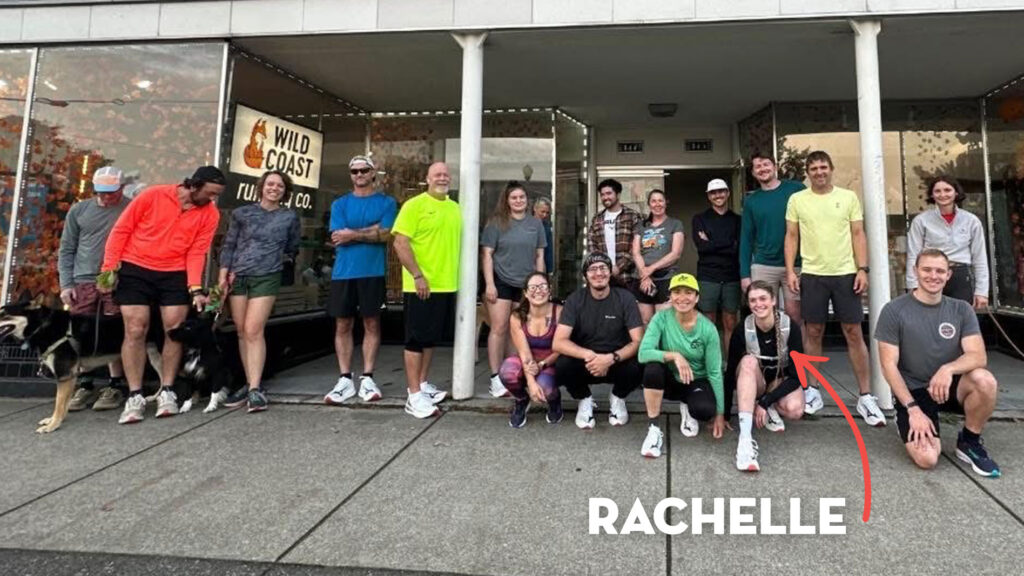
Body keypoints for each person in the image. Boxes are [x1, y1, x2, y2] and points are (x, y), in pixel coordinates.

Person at [100, 166, 224, 424]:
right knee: (135, 328)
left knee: (174, 330)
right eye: (210, 193)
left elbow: (197, 251)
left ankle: (167, 390)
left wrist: (195, 288)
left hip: (175, 272)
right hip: (136, 267)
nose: (212, 199)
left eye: (216, 195)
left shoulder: (210, 213)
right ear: (194, 185)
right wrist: (108, 269)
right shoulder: (153, 195)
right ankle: (134, 395)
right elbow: (121, 231)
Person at [875, 249, 1001, 477]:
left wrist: (948, 369)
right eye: (927, 269)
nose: (933, 276)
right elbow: (888, 366)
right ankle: (905, 417)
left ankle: (969, 442)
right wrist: (912, 409)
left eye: (940, 271)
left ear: (948, 275)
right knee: (928, 458)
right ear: (915, 271)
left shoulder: (961, 309)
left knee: (985, 380)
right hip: (915, 391)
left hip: (949, 386)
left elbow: (978, 356)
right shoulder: (894, 310)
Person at [784, 150, 886, 427]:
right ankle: (812, 390)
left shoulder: (848, 197)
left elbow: (858, 233)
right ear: (808, 172)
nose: (819, 172)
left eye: (823, 167)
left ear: (831, 168)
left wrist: (862, 269)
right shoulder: (797, 200)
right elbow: (791, 236)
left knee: (853, 331)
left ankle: (865, 396)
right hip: (813, 274)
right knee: (813, 331)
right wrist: (792, 271)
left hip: (845, 274)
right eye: (814, 168)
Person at [217, 170, 300, 413]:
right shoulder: (242, 213)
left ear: (285, 191)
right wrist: (223, 274)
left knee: (254, 329)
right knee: (242, 331)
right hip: (238, 275)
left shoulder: (289, 217)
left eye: (280, 186)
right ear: (261, 186)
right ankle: (249, 382)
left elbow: (292, 246)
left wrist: (277, 260)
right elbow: (229, 244)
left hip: (267, 275)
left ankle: (255, 388)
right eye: (270, 184)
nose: (274, 188)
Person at [322, 155, 397, 406]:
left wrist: (352, 233)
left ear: (373, 173)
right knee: (342, 325)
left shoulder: (387, 202)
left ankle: (367, 377)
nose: (359, 175)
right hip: (344, 273)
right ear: (350, 175)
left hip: (372, 272)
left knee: (371, 324)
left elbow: (386, 234)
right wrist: (369, 232)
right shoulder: (340, 204)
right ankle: (345, 378)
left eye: (364, 170)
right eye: (354, 171)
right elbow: (337, 236)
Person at [392, 162, 460, 418]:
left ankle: (422, 384)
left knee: (430, 338)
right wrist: (418, 276)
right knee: (415, 340)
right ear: (427, 179)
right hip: (421, 286)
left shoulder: (455, 208)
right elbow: (400, 243)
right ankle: (413, 396)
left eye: (445, 175)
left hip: (447, 285)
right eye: (437, 175)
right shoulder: (414, 205)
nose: (442, 178)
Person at [59, 166, 130, 412]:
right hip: (83, 279)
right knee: (82, 334)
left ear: (121, 188)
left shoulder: (130, 209)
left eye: (110, 192)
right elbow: (67, 248)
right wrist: (66, 283)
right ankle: (85, 384)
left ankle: (115, 385)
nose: (104, 197)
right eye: (100, 192)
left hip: (117, 280)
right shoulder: (79, 210)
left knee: (114, 332)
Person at [638, 273, 726, 458]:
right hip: (670, 379)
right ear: (670, 296)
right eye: (677, 292)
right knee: (652, 369)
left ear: (697, 297)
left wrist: (720, 413)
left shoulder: (707, 328)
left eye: (688, 292)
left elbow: (714, 372)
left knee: (704, 411)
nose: (682, 297)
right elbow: (643, 353)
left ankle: (687, 405)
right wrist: (674, 356)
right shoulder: (661, 318)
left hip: (696, 380)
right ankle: (654, 428)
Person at [553, 253, 643, 430]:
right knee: (562, 365)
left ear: (610, 272)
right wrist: (589, 355)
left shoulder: (625, 298)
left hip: (617, 362)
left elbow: (638, 340)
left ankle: (618, 397)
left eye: (603, 268)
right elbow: (559, 342)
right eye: (592, 269)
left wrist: (611, 358)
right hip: (587, 363)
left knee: (642, 363)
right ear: (585, 275)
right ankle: (584, 399)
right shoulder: (575, 299)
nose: (598, 273)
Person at [726, 280, 805, 472]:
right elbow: (730, 372)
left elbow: (797, 377)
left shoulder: (789, 327)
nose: (758, 304)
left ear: (773, 301)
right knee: (748, 361)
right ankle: (745, 439)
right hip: (757, 381)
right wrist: (725, 413)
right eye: (753, 300)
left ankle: (766, 407)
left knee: (795, 410)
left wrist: (766, 402)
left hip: (777, 381)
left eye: (763, 299)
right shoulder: (743, 328)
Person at [482, 181, 547, 399]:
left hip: (526, 284)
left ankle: (511, 374)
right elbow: (487, 255)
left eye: (522, 197)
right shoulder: (496, 223)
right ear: (507, 201)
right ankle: (495, 378)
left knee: (517, 331)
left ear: (527, 200)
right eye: (514, 197)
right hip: (500, 282)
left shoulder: (535, 224)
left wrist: (540, 284)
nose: (518, 201)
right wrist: (489, 283)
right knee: (499, 328)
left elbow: (539, 256)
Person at [906, 176, 989, 309]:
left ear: (956, 193)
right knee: (929, 319)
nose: (943, 194)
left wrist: (982, 291)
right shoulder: (921, 221)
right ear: (932, 195)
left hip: (961, 276)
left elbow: (980, 258)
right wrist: (913, 285)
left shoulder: (971, 221)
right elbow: (913, 255)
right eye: (937, 191)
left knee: (960, 320)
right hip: (931, 275)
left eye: (947, 190)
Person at [498, 272, 562, 428]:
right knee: (507, 371)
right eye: (532, 287)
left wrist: (543, 364)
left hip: (552, 361)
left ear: (550, 290)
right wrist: (531, 382)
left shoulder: (560, 312)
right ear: (525, 293)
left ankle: (555, 402)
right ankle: (521, 399)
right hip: (529, 361)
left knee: (546, 388)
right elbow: (524, 353)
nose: (538, 291)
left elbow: (562, 348)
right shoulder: (517, 316)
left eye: (542, 286)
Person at [692, 178, 742, 356]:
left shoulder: (737, 220)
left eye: (721, 191)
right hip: (708, 276)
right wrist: (728, 243)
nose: (718, 195)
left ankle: (731, 367)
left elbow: (738, 248)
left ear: (727, 193)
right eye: (713, 192)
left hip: (731, 276)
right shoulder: (699, 219)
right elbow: (702, 247)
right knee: (708, 323)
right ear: (708, 196)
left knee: (730, 323)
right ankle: (711, 365)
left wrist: (712, 242)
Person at [630, 189, 684, 324]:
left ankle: (663, 347)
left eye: (660, 200)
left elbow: (675, 254)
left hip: (665, 278)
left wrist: (650, 269)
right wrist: (645, 274)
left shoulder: (675, 224)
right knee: (645, 321)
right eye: (653, 201)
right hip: (642, 279)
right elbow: (635, 252)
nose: (657, 204)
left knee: (664, 322)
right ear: (649, 204)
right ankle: (648, 346)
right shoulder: (641, 226)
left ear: (666, 203)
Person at [588, 178, 642, 289]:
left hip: (628, 276)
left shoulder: (632, 215)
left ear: (618, 194)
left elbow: (638, 246)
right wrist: (603, 267)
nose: (605, 197)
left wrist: (619, 267)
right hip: (602, 277)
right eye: (602, 194)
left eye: (609, 193)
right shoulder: (597, 218)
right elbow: (591, 244)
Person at [533, 197, 554, 275]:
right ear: (535, 208)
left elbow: (549, 251)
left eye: (547, 212)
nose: (545, 215)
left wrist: (549, 270)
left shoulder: (546, 227)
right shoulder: (526, 225)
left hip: (542, 267)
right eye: (542, 212)